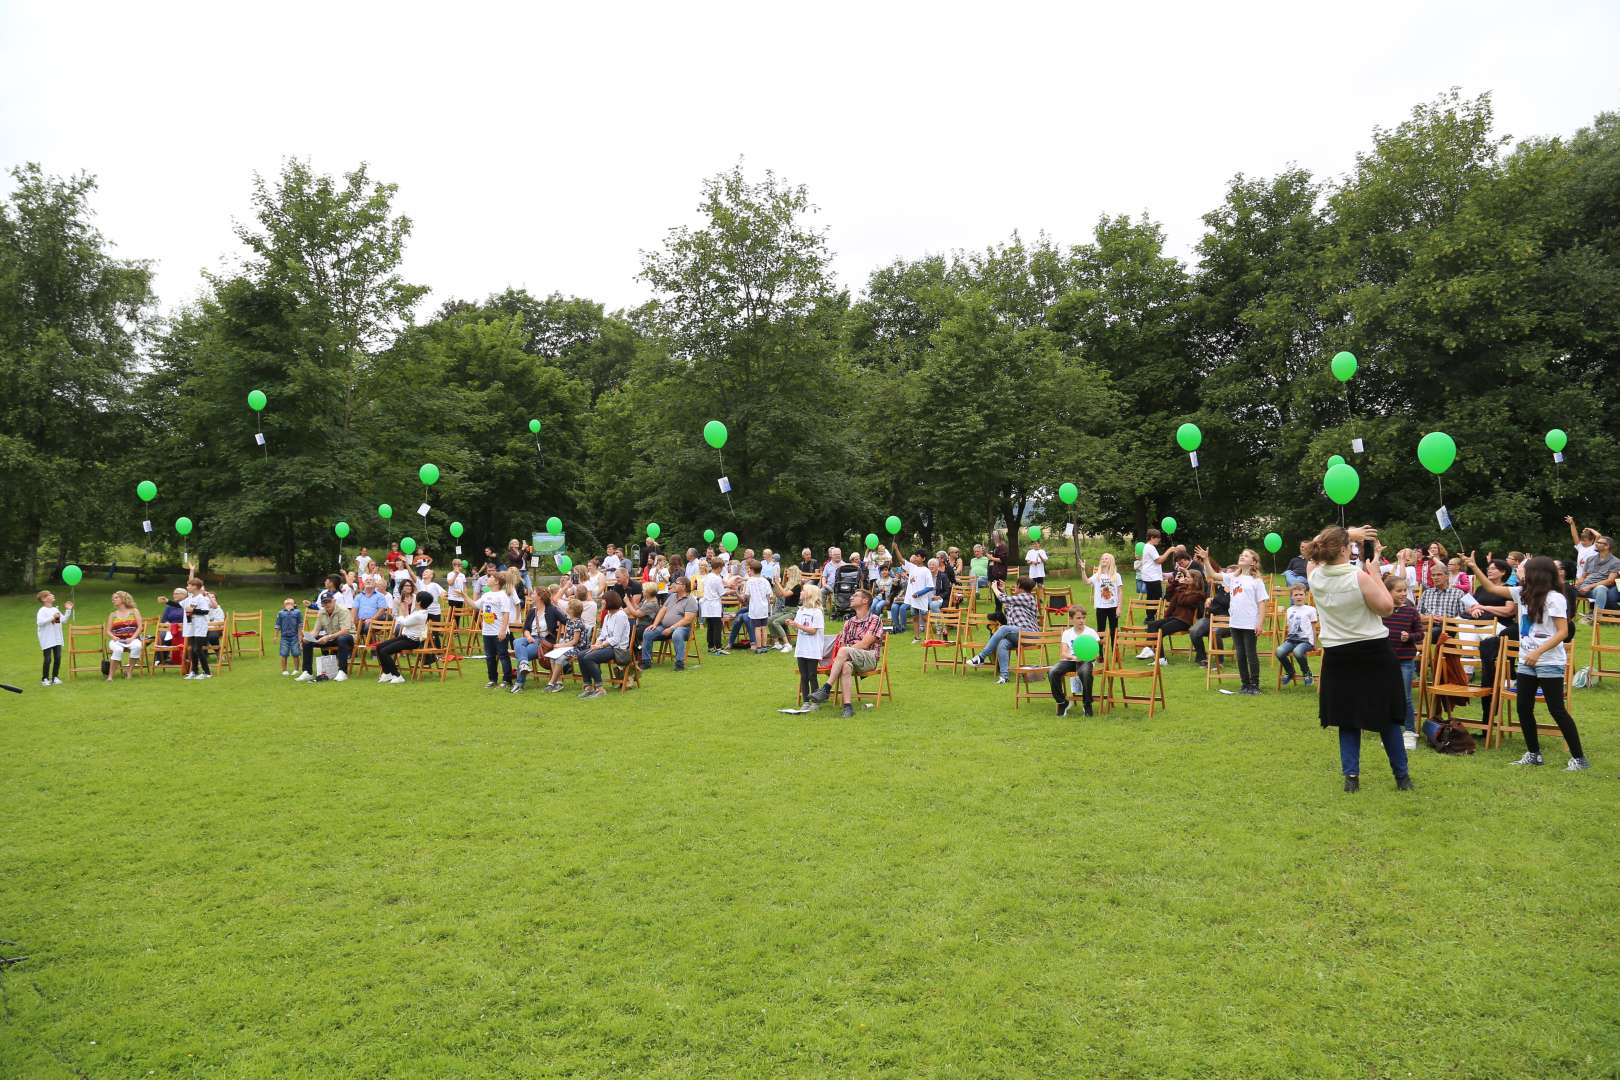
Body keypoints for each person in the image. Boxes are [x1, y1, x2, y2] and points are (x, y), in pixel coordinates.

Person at [1307, 525, 1410, 793]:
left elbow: (1314, 549)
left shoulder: (1314, 576)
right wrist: (1375, 574)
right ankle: (1402, 778)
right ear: (1344, 550)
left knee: (1347, 718)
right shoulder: (1358, 576)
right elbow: (1387, 608)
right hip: (1373, 651)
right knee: (1387, 716)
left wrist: (1348, 534)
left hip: (1338, 655)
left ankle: (1351, 779)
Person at [1469, 555, 1589, 770]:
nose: (1519, 573)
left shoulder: (1555, 598)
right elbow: (1492, 589)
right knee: (1523, 707)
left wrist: (1538, 653)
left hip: (1549, 661)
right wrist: (1473, 567)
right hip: (1527, 660)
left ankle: (1579, 759)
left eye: (1524, 570)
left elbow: (1562, 632)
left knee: (1556, 710)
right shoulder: (1522, 594)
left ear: (1537, 574)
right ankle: (1534, 754)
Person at [807, 589, 884, 717]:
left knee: (843, 651)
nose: (851, 597)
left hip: (869, 657)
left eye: (855, 596)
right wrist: (846, 652)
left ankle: (826, 688)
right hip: (849, 658)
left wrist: (847, 650)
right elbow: (842, 644)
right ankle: (848, 707)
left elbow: (865, 644)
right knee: (845, 666)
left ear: (865, 601)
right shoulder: (849, 622)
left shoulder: (874, 620)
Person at [966, 577, 1040, 684]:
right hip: (1017, 634)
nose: (1014, 586)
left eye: (1016, 584)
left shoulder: (1027, 597)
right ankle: (1004, 677)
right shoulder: (1018, 600)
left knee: (1004, 628)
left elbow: (1004, 599)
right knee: (1003, 643)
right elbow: (1007, 604)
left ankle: (981, 657)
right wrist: (1002, 590)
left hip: (1030, 634)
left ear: (1020, 587)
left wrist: (995, 589)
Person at [1381, 576, 1423, 748]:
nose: (1403, 594)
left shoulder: (1411, 612)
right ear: (1388, 592)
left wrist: (1410, 637)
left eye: (1405, 590)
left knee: (1405, 696)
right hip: (1385, 660)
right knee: (1387, 695)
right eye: (1399, 591)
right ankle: (1391, 731)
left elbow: (1421, 634)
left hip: (1405, 660)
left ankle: (1410, 731)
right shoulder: (1383, 611)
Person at [1144, 563, 1205, 663]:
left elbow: (1183, 601)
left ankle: (1156, 654)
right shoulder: (1183, 589)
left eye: (1188, 577)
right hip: (1175, 618)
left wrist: (1181, 586)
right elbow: (1169, 596)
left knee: (1160, 630)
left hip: (1184, 621)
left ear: (1195, 580)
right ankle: (1155, 654)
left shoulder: (1198, 594)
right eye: (1186, 576)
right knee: (1152, 625)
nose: (1185, 578)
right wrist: (1176, 582)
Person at [575, 590, 630, 698]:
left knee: (589, 658)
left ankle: (600, 688)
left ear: (610, 602)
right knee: (581, 655)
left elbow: (616, 639)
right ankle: (588, 687)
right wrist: (597, 643)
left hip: (618, 649)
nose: (602, 604)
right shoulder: (608, 615)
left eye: (604, 602)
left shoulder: (620, 615)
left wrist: (600, 646)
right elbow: (603, 634)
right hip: (607, 646)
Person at [1048, 605, 1101, 717]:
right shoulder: (1067, 633)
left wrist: (1088, 657)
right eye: (1078, 618)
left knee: (1085, 672)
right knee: (1053, 671)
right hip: (1070, 660)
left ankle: (1087, 704)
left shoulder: (1091, 632)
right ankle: (1062, 702)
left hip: (1086, 660)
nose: (1081, 620)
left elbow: (1097, 653)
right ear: (1071, 619)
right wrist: (1073, 658)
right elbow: (1063, 653)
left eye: (1083, 617)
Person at [640, 577, 699, 670]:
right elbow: (662, 610)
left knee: (677, 633)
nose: (674, 584)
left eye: (677, 583)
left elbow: (687, 620)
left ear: (683, 587)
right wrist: (655, 624)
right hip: (664, 627)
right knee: (648, 632)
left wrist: (672, 628)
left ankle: (679, 664)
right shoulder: (672, 596)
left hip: (683, 629)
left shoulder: (690, 600)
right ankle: (646, 661)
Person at [295, 591, 355, 682]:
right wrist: (308, 637)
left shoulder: (343, 611)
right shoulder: (321, 612)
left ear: (334, 601)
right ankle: (307, 672)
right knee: (307, 642)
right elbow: (316, 631)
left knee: (342, 639)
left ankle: (342, 671)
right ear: (322, 604)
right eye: (324, 602)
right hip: (331, 637)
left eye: (329, 601)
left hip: (347, 637)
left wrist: (328, 637)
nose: (327, 604)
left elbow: (345, 630)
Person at [376, 595, 430, 684]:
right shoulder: (419, 612)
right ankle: (387, 673)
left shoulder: (420, 615)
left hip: (412, 641)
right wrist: (404, 607)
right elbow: (407, 617)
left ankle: (397, 675)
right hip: (405, 637)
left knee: (384, 651)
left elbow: (405, 622)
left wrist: (398, 612)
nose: (414, 600)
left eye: (416, 600)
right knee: (379, 647)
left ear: (419, 602)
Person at [477, 568, 516, 688]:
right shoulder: (486, 594)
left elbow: (506, 613)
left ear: (497, 582)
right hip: (487, 631)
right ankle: (492, 679)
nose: (488, 579)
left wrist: (503, 630)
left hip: (499, 631)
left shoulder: (502, 595)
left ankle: (507, 680)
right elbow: (475, 605)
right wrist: (463, 596)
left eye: (491, 577)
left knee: (503, 655)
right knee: (489, 657)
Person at [889, 540, 935, 641]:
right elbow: (901, 560)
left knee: (925, 618)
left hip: (921, 598)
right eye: (916, 555)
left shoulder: (926, 571)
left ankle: (929, 637)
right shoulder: (912, 567)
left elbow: (930, 586)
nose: (916, 557)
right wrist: (896, 548)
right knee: (915, 618)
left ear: (923, 558)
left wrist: (918, 594)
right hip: (912, 599)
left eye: (918, 556)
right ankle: (917, 637)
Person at [1275, 586, 1318, 687]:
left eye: (1301, 594)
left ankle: (1307, 673)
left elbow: (1313, 628)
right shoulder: (1289, 610)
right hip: (1291, 640)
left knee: (1297, 652)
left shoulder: (1310, 610)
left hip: (1306, 641)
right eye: (1296, 595)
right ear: (1291, 597)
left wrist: (1314, 643)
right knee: (1279, 651)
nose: (1299, 597)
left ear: (1305, 596)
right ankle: (1290, 672)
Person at [792, 583, 826, 706]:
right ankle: (806, 701)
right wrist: (793, 625)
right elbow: (797, 629)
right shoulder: (800, 610)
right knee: (803, 676)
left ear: (810, 594)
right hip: (801, 648)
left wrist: (798, 626)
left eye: (803, 591)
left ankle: (815, 701)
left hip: (813, 649)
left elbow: (813, 630)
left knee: (812, 675)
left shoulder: (817, 612)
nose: (800, 593)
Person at [544, 600, 589, 693]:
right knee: (552, 657)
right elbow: (567, 638)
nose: (567, 608)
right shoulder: (569, 621)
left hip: (578, 648)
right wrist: (561, 645)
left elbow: (575, 641)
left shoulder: (578, 623)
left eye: (568, 607)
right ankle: (558, 682)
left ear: (572, 610)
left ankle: (551, 683)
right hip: (568, 646)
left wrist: (561, 645)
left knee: (559, 659)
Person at [1571, 535, 1619, 612]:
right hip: (1583, 587)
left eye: (1599, 542)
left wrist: (1589, 587)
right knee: (1565, 587)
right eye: (1596, 542)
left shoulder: (1615, 562)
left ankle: (1596, 617)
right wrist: (1576, 584)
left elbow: (1610, 581)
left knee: (1601, 589)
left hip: (1597, 589)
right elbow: (1583, 577)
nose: (1596, 544)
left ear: (1607, 546)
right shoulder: (1590, 559)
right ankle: (1566, 617)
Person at [36, 589, 73, 686]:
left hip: (56, 638)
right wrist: (52, 617)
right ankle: (45, 679)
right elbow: (40, 622)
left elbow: (62, 621)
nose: (52, 595)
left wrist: (68, 610)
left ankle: (55, 677)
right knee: (48, 659)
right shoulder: (42, 611)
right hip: (47, 639)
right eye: (50, 594)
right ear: (44, 599)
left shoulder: (55, 610)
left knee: (58, 657)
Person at [180, 577, 214, 680]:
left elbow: (205, 611)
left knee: (198, 649)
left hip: (200, 627)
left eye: (189, 585)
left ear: (195, 587)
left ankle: (207, 672)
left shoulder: (201, 598)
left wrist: (193, 611)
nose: (187, 587)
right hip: (191, 627)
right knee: (192, 650)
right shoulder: (189, 598)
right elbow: (178, 605)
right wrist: (167, 601)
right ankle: (194, 671)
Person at [105, 591, 143, 680]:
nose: (113, 600)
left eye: (115, 598)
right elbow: (108, 631)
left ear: (123, 599)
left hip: (132, 639)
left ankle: (129, 672)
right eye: (112, 599)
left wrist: (132, 638)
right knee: (117, 649)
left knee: (137, 646)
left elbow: (140, 627)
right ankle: (110, 676)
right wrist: (113, 637)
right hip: (117, 640)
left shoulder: (134, 611)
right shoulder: (113, 615)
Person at [1085, 553, 1122, 643]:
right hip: (1101, 607)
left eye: (1106, 558)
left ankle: (1115, 654)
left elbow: (1120, 591)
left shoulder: (1116, 575)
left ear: (1111, 561)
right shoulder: (1097, 575)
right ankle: (1101, 654)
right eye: (1102, 559)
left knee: (1114, 631)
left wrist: (1119, 607)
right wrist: (1083, 570)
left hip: (1113, 607)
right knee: (1100, 631)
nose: (1103, 560)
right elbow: (1086, 582)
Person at [697, 558, 726, 655]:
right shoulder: (717, 578)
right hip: (714, 604)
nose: (721, 570)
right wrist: (733, 590)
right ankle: (718, 647)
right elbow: (722, 593)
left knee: (710, 626)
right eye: (721, 568)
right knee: (717, 626)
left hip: (706, 604)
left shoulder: (707, 576)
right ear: (718, 568)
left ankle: (710, 646)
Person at [1138, 528, 1172, 601]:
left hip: (1150, 577)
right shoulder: (1150, 547)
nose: (1159, 540)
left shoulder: (1148, 546)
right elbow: (1159, 560)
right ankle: (1152, 612)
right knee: (1156, 598)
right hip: (1152, 578)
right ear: (1152, 537)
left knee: (1151, 597)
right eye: (1157, 538)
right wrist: (1169, 551)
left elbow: (1157, 558)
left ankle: (1151, 612)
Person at [1566, 515, 1600, 581]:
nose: (1582, 542)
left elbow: (1598, 535)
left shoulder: (1594, 547)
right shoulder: (1580, 547)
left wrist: (1589, 529)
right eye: (1581, 540)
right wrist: (1572, 523)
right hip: (1579, 577)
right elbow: (1574, 535)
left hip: (1591, 578)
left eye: (1585, 541)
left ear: (1592, 540)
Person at [275, 598, 302, 677]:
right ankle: (284, 670)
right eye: (286, 603)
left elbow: (300, 625)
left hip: (294, 636)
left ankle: (296, 669)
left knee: (296, 653)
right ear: (284, 605)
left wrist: (300, 636)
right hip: (284, 637)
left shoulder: (297, 612)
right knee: (284, 653)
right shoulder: (280, 613)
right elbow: (277, 625)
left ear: (294, 604)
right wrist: (276, 636)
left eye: (290, 603)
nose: (288, 604)